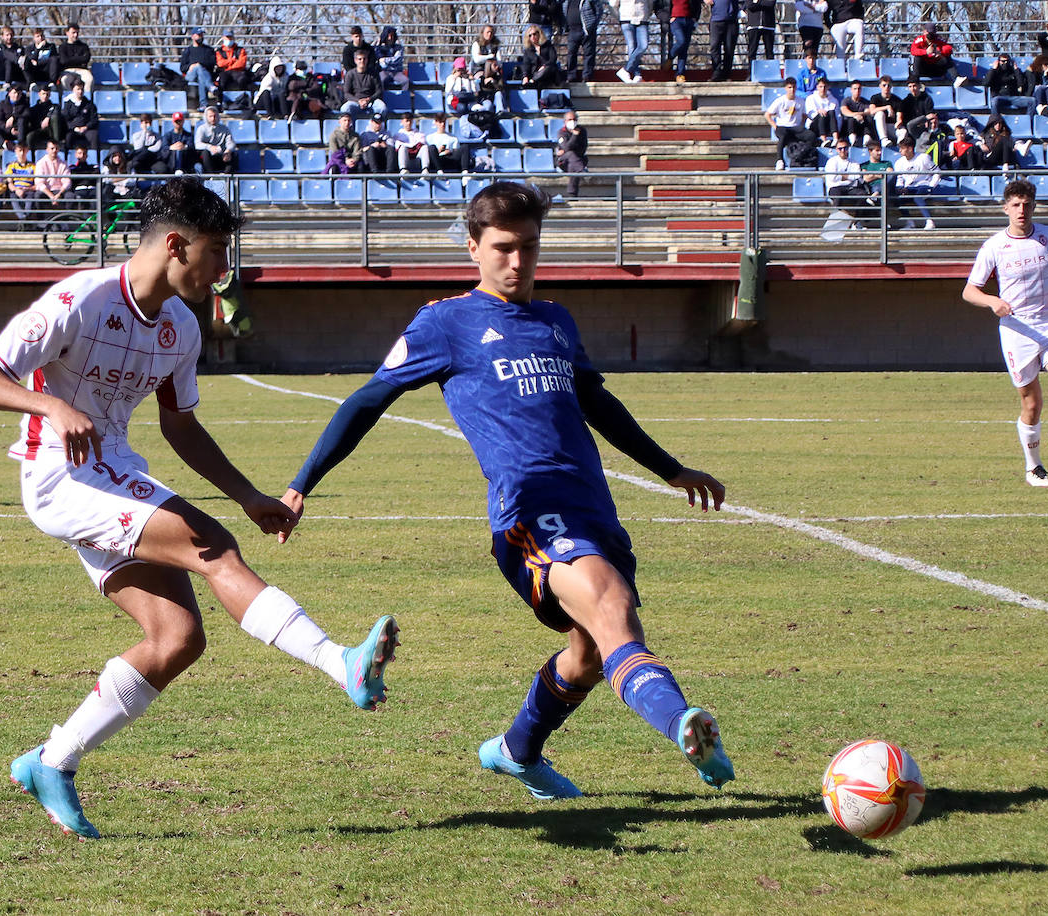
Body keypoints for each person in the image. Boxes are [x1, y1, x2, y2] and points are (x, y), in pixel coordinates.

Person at [0, 177, 398, 839]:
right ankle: (341, 664)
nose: (225, 270)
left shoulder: (179, 329)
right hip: (60, 477)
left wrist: (248, 494)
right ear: (174, 245)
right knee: (211, 547)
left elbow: (180, 428)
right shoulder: (80, 298)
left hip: (114, 474)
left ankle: (53, 761)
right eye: (217, 252)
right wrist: (52, 404)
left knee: (178, 639)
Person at [279, 181, 733, 801]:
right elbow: (366, 400)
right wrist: (302, 484)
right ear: (473, 247)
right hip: (528, 515)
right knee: (612, 608)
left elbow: (595, 402)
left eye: (529, 247)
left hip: (594, 507)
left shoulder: (555, 320)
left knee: (591, 654)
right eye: (502, 248)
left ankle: (515, 751)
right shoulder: (445, 323)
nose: (517, 262)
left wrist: (670, 469)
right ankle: (683, 722)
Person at [963, 180, 1048, 487]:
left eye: (1027, 204)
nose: (1022, 210)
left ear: (1034, 207)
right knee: (1032, 405)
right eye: (1016, 205)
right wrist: (992, 301)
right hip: (1017, 331)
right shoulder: (994, 246)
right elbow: (969, 291)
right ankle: (1034, 467)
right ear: (1006, 208)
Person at [893, 137, 939, 228]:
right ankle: (910, 223)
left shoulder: (923, 158)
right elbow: (900, 178)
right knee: (897, 199)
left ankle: (929, 221)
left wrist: (931, 186)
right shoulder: (899, 163)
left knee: (917, 197)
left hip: (924, 185)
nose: (900, 151)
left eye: (902, 148)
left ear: (910, 148)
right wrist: (900, 188)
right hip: (910, 187)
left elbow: (937, 172)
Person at [765, 78, 808, 170]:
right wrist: (775, 126)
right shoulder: (780, 101)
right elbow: (767, 114)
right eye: (789, 87)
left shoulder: (800, 101)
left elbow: (804, 115)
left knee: (811, 136)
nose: (792, 90)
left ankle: (805, 158)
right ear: (785, 88)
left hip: (796, 127)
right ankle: (780, 160)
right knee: (783, 136)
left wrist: (801, 125)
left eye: (793, 87)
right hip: (782, 127)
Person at [566, 0, 605, 82]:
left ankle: (587, 76)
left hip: (587, 31)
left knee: (589, 54)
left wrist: (592, 25)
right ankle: (571, 76)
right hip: (572, 30)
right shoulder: (567, 1)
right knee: (571, 54)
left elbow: (599, 10)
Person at [985, 53, 1034, 118]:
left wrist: (1016, 69)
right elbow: (986, 83)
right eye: (1002, 61)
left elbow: (1021, 83)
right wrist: (993, 69)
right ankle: (995, 122)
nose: (1005, 63)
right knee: (994, 101)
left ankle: (1028, 121)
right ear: (998, 62)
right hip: (1000, 97)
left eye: (1007, 61)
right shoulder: (994, 72)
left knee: (1032, 101)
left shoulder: (1013, 71)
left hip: (1013, 97)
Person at [824, 137, 863, 216]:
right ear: (837, 150)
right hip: (835, 187)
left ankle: (856, 220)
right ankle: (835, 219)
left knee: (862, 194)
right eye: (840, 148)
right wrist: (849, 177)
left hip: (850, 188)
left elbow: (857, 177)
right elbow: (832, 178)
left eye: (845, 148)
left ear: (848, 148)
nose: (843, 150)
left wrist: (840, 175)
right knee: (838, 196)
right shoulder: (832, 161)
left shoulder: (854, 162)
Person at [341, 50, 386, 116]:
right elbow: (346, 93)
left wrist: (369, 99)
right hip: (355, 101)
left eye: (364, 59)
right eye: (360, 59)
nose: (362, 61)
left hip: (371, 101)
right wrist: (358, 101)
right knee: (345, 108)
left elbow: (379, 91)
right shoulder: (350, 74)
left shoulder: (374, 73)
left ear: (367, 60)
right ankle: (351, 126)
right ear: (355, 60)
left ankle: (376, 124)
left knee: (382, 107)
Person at [180, 27, 219, 105]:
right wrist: (191, 66)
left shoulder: (209, 50)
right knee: (198, 68)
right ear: (193, 36)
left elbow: (212, 63)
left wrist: (199, 64)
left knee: (201, 78)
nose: (201, 37)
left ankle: (203, 105)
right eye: (198, 35)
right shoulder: (187, 51)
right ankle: (211, 86)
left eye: (201, 35)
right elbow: (182, 68)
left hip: (205, 75)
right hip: (191, 75)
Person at [34, 138, 72, 215]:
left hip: (59, 190)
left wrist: (59, 194)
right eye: (52, 148)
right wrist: (51, 196)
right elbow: (39, 183)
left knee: (70, 196)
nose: (54, 150)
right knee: (37, 196)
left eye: (56, 148)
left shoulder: (63, 163)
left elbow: (67, 181)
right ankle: (42, 223)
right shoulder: (40, 163)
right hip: (46, 191)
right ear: (47, 150)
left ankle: (65, 219)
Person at [555, 109, 588, 196]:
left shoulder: (582, 131)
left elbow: (583, 148)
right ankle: (581, 170)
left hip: (577, 159)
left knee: (573, 163)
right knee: (571, 155)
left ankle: (572, 194)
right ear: (565, 121)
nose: (572, 121)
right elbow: (566, 147)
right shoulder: (561, 132)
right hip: (563, 161)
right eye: (570, 120)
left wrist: (566, 150)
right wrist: (575, 136)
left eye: (574, 119)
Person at [3, 141, 37, 226]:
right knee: (13, 198)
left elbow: (37, 184)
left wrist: (28, 189)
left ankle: (23, 221)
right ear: (16, 151)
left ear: (27, 151)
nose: (22, 153)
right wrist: (16, 190)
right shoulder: (11, 166)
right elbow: (10, 183)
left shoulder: (33, 166)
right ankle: (23, 219)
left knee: (30, 202)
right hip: (16, 190)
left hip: (29, 190)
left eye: (24, 151)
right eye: (20, 150)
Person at [194, 106, 236, 174]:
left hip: (221, 154)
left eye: (215, 116)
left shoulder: (225, 129)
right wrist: (209, 147)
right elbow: (197, 144)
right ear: (206, 117)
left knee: (233, 154)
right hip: (208, 155)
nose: (213, 118)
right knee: (205, 153)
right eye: (210, 116)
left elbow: (230, 142)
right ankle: (211, 176)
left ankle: (227, 175)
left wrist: (228, 151)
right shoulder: (201, 129)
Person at [24, 83, 65, 151]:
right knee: (30, 136)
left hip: (51, 131)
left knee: (55, 117)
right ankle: (31, 157)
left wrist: (48, 117)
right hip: (40, 131)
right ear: (39, 94)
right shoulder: (34, 108)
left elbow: (56, 111)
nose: (45, 96)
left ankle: (56, 144)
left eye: (47, 94)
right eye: (43, 94)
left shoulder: (55, 106)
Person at [0, 83, 29, 151]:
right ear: (9, 93)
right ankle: (7, 145)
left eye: (19, 93)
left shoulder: (25, 103)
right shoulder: (2, 104)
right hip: (7, 131)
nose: (16, 95)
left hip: (20, 131)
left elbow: (27, 114)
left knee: (22, 120)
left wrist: (14, 117)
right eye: (14, 93)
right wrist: (10, 130)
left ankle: (20, 146)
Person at [62, 79, 100, 152]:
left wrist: (86, 127)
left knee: (94, 136)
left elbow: (94, 120)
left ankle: (95, 158)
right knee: (68, 137)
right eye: (78, 89)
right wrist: (74, 128)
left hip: (86, 129)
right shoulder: (68, 104)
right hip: (73, 129)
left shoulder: (89, 104)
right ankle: (67, 159)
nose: (80, 91)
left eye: (82, 89)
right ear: (73, 90)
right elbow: (66, 119)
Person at [705, 0, 738, 81]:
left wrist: (742, 9)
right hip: (716, 19)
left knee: (729, 48)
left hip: (731, 20)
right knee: (714, 46)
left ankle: (726, 74)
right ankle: (717, 72)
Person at [866, 75, 903, 147]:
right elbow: (872, 111)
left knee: (903, 131)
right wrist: (887, 107)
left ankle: (900, 147)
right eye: (884, 85)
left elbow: (899, 117)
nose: (886, 87)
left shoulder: (897, 100)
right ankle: (884, 140)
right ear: (880, 86)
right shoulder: (875, 98)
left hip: (891, 126)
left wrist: (898, 122)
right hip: (878, 128)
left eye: (888, 85)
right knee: (880, 114)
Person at [666, 0, 697, 82]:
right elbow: (663, 6)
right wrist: (668, 18)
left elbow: (697, 4)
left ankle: (680, 73)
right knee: (681, 41)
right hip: (676, 20)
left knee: (684, 48)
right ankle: (670, 57)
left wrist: (695, 19)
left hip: (688, 20)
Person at [58, 23, 94, 93]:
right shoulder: (62, 47)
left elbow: (86, 59)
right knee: (64, 80)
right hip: (68, 71)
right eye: (73, 33)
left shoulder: (84, 46)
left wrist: (70, 59)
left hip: (82, 70)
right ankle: (69, 100)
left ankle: (86, 99)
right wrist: (79, 59)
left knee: (90, 79)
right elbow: (63, 61)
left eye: (77, 33)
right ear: (67, 33)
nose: (76, 35)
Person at [803, 77, 839, 146]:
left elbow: (837, 117)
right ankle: (824, 139)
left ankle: (835, 138)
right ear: (817, 87)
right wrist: (818, 111)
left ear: (828, 87)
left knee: (831, 112)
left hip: (828, 126)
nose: (823, 89)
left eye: (825, 87)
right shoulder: (810, 98)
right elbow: (810, 114)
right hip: (814, 125)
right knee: (821, 114)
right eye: (820, 86)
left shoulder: (834, 100)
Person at [838, 79, 871, 146]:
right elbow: (844, 111)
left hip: (861, 125)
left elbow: (868, 111)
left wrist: (860, 115)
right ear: (851, 90)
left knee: (868, 118)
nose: (857, 91)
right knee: (851, 119)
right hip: (848, 127)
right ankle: (853, 141)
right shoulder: (846, 101)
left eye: (859, 89)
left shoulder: (865, 102)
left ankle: (867, 140)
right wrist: (855, 115)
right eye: (855, 89)